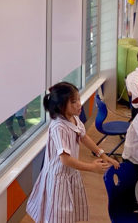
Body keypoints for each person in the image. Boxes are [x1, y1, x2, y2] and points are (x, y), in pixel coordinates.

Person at [26, 82, 119, 222]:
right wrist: (92, 167)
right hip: (58, 178)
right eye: (73, 102)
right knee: (58, 216)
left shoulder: (74, 118)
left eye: (78, 99)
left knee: (69, 213)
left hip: (70, 174)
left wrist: (103, 154)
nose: (79, 104)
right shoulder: (58, 127)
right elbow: (65, 159)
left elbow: (83, 136)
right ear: (61, 106)